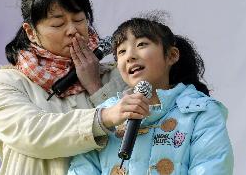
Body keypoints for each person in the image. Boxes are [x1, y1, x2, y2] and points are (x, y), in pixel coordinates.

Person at [0, 0, 151, 175]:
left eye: (79, 20)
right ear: (30, 32)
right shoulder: (6, 82)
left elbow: (136, 141)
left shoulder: (119, 74)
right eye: (57, 24)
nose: (73, 30)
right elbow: (33, 134)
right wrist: (103, 117)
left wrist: (96, 87)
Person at [67, 13, 234, 175]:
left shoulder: (201, 112)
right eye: (121, 52)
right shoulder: (105, 115)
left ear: (171, 55)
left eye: (141, 45)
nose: (130, 56)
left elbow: (212, 167)